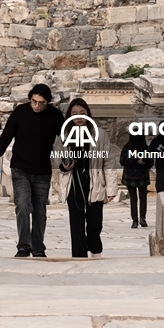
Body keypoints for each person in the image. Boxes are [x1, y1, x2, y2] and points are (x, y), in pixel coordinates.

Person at [0, 84, 64, 258]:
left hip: (43, 170)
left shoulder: (55, 115)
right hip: (20, 168)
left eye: (41, 103)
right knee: (22, 205)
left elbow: (67, 139)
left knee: (40, 210)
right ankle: (23, 246)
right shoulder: (20, 112)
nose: (36, 106)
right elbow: (6, 136)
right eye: (34, 101)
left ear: (47, 102)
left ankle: (37, 248)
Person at [55, 99, 118, 258]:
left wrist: (111, 188)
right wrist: (64, 166)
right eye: (74, 114)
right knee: (76, 224)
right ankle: (79, 255)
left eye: (82, 113)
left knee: (95, 223)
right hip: (73, 183)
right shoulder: (63, 135)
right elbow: (56, 160)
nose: (78, 117)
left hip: (94, 182)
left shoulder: (100, 134)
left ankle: (95, 248)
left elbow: (109, 161)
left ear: (88, 114)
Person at [120, 128, 153, 228]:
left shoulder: (126, 148)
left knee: (133, 198)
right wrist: (144, 162)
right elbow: (151, 163)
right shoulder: (145, 148)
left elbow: (122, 162)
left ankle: (134, 221)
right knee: (143, 198)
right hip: (142, 175)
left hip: (129, 176)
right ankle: (143, 218)